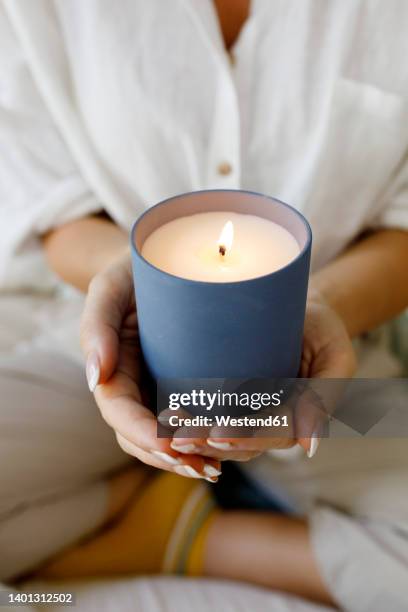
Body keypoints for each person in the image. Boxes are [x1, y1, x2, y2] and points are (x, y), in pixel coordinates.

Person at [1, 1, 408, 608]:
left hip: (328, 359)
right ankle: (125, 494)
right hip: (112, 341)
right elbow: (53, 204)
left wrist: (320, 304)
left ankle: (181, 533)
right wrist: (131, 281)